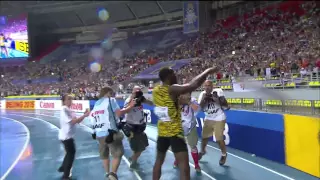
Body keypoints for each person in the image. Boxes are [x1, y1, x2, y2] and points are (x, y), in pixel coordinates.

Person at [152, 67, 218, 180]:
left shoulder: (156, 90)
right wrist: (207, 71)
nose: (175, 76)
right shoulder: (171, 89)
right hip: (175, 133)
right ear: (168, 76)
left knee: (158, 162)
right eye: (173, 73)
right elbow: (193, 84)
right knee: (185, 167)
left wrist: (186, 101)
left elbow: (173, 103)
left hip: (162, 133)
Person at [90, 86, 135, 180]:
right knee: (118, 153)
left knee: (104, 154)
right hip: (110, 133)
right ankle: (113, 174)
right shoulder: (111, 101)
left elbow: (93, 119)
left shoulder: (96, 104)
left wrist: (94, 132)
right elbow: (119, 114)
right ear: (108, 93)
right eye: (111, 93)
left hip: (99, 133)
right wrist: (131, 106)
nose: (112, 95)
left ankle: (107, 173)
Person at [58, 94, 90, 180]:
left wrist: (84, 115)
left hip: (69, 136)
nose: (70, 101)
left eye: (71, 99)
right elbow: (72, 121)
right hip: (66, 136)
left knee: (69, 152)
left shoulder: (70, 110)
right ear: (64, 101)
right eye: (68, 99)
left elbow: (77, 121)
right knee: (71, 154)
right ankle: (65, 175)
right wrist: (84, 116)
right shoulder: (64, 109)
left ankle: (63, 167)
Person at [198, 80, 229, 165]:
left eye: (209, 85)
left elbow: (226, 106)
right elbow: (200, 108)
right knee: (204, 137)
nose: (207, 87)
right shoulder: (202, 94)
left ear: (212, 86)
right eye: (205, 85)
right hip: (208, 118)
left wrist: (217, 99)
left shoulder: (218, 91)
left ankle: (224, 154)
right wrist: (205, 98)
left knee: (219, 138)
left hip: (219, 117)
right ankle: (203, 151)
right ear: (203, 87)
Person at [123, 86, 153, 168]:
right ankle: (133, 161)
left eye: (139, 91)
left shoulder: (140, 99)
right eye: (136, 91)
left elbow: (151, 103)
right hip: (132, 127)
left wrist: (145, 100)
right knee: (139, 148)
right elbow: (126, 110)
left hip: (140, 127)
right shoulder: (129, 100)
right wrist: (132, 102)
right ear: (132, 92)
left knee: (142, 146)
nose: (138, 92)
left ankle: (133, 159)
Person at [173, 92, 201, 174]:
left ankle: (196, 164)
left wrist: (188, 102)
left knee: (193, 146)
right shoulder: (177, 100)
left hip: (190, 127)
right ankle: (177, 159)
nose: (186, 95)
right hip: (179, 127)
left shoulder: (193, 100)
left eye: (188, 94)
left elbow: (197, 109)